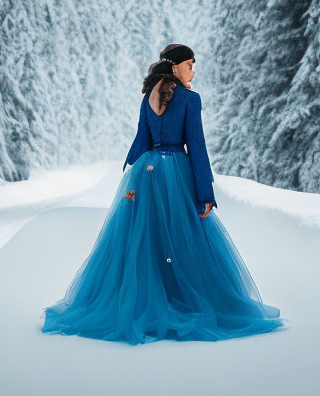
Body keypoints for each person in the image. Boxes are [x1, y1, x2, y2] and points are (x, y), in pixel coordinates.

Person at [40, 43, 288, 344]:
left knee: (145, 240)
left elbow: (142, 139)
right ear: (174, 67)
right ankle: (181, 299)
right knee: (184, 238)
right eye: (189, 65)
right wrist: (204, 193)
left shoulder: (148, 97)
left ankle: (145, 302)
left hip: (147, 173)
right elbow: (196, 147)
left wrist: (132, 171)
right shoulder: (190, 100)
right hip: (177, 174)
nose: (192, 71)